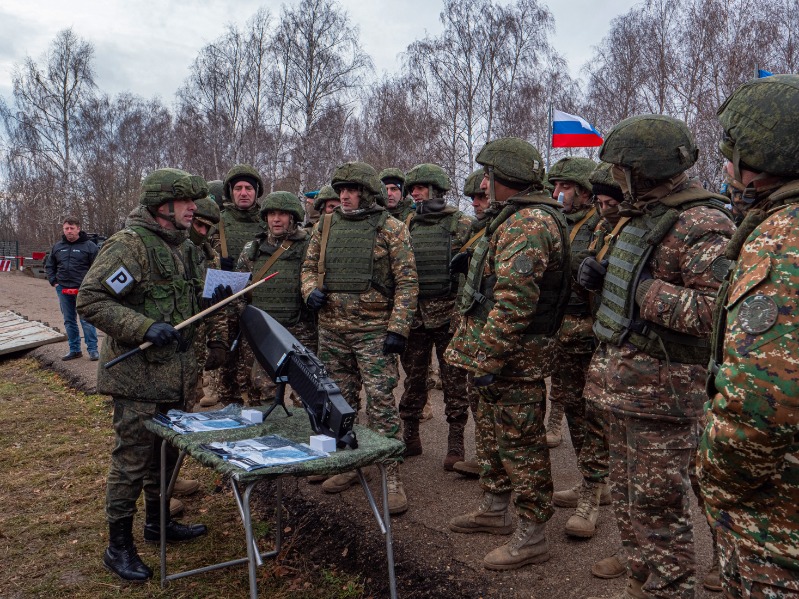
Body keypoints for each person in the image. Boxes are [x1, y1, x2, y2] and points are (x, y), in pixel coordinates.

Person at [579, 115, 735, 599]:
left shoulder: (702, 222)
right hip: (624, 388)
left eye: (622, 170)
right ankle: (641, 580)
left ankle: (670, 589)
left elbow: (716, 312)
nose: (615, 179)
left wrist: (642, 290)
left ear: (644, 170)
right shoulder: (644, 214)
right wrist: (607, 277)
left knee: (659, 510)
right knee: (628, 500)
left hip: (664, 396)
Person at [77, 168, 214, 583]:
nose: (193, 208)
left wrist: (215, 299)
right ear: (161, 206)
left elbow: (189, 300)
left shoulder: (186, 247)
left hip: (176, 377)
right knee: (132, 461)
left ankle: (158, 523)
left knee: (166, 455)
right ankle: (118, 546)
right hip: (137, 380)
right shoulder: (129, 245)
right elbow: (92, 299)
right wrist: (143, 327)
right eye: (186, 201)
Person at [446, 137, 571, 571]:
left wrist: (488, 358)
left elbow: (514, 303)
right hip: (499, 356)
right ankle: (495, 509)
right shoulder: (514, 217)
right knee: (491, 436)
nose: (483, 184)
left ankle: (533, 533)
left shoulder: (529, 223)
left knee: (521, 444)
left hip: (514, 360)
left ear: (507, 179)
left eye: (488, 177)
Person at [698, 74, 799, 599]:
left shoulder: (781, 240)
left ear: (759, 162)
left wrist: (714, 479)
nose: (725, 171)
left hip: (778, 517)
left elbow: (763, 401)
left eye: (729, 158)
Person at [300, 161, 418, 515]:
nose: (345, 196)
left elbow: (407, 282)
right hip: (332, 331)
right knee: (339, 401)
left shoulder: (391, 228)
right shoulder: (324, 226)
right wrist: (309, 290)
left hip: (374, 332)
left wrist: (398, 328)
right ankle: (350, 462)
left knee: (381, 402)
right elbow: (308, 268)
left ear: (367, 194)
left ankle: (391, 474)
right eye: (342, 190)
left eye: (352, 190)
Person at [398, 163, 473, 470]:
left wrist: (462, 312)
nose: (415, 193)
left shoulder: (461, 223)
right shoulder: (406, 224)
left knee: (454, 382)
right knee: (414, 380)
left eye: (420, 188)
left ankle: (455, 442)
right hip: (415, 316)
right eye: (412, 189)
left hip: (448, 316)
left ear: (437, 189)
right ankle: (410, 436)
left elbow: (473, 271)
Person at [237, 191, 316, 402]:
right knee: (264, 390)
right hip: (265, 332)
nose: (276, 219)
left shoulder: (309, 246)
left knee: (305, 393)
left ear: (293, 217)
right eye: (272, 214)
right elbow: (240, 290)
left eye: (282, 214)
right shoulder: (252, 249)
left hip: (300, 330)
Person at [545, 156, 598, 451]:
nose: (556, 194)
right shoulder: (554, 223)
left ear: (585, 192)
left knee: (595, 405)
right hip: (560, 323)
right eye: (555, 187)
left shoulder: (601, 225)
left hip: (591, 328)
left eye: (564, 187)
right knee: (571, 398)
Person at [450, 167, 497, 478]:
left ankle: (497, 462)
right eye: (472, 198)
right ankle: (484, 455)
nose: (475, 203)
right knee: (475, 394)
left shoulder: (509, 228)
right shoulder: (475, 228)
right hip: (472, 321)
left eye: (481, 196)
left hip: (494, 326)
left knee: (496, 397)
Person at [212, 164, 265, 405]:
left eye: (249, 188)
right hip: (225, 302)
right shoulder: (217, 221)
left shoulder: (266, 221)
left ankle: (257, 409)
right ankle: (228, 409)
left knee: (257, 365)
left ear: (256, 192)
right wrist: (215, 260)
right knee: (226, 365)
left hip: (257, 301)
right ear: (230, 192)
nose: (244, 193)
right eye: (238, 188)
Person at [188, 195, 228, 410]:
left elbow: (217, 307)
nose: (203, 232)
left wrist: (218, 342)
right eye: (198, 225)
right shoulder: (171, 252)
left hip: (197, 347)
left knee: (189, 405)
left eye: (208, 228)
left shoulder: (210, 257)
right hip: (172, 345)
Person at [46, 216, 100, 361]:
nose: (69, 231)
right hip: (63, 288)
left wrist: (91, 285)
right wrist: (54, 281)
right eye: (66, 228)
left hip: (83, 289)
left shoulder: (90, 247)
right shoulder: (57, 247)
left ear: (78, 229)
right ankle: (74, 350)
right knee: (69, 320)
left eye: (72, 228)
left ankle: (93, 350)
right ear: (63, 229)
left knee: (86, 320)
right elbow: (50, 265)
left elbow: (98, 268)